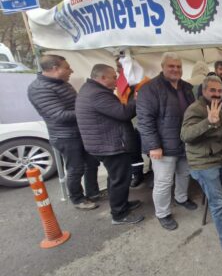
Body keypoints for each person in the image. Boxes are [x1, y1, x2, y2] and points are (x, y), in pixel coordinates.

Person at [181, 75, 222, 259]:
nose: (217, 94)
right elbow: (185, 135)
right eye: (213, 91)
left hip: (220, 157)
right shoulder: (194, 109)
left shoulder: (218, 106)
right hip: (202, 162)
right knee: (217, 204)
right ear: (203, 91)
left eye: (219, 91)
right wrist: (208, 121)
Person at [27, 55, 101, 210]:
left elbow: (75, 105)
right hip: (65, 136)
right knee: (76, 168)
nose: (71, 71)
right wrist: (88, 110)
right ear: (55, 69)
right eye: (67, 67)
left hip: (80, 132)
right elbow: (59, 115)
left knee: (92, 163)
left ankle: (93, 192)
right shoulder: (39, 89)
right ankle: (78, 199)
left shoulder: (61, 83)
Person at [76, 64, 144, 225]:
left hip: (105, 143)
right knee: (119, 179)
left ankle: (122, 204)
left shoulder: (91, 90)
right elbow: (123, 113)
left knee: (117, 178)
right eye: (114, 77)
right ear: (102, 78)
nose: (117, 80)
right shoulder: (97, 94)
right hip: (109, 145)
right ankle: (119, 214)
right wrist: (136, 100)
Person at [137, 53, 196, 231]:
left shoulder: (187, 87)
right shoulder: (150, 88)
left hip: (185, 143)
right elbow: (144, 120)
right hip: (162, 146)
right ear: (162, 67)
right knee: (163, 182)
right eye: (171, 66)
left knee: (184, 173)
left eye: (178, 66)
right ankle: (163, 213)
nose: (175, 69)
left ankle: (181, 198)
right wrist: (154, 146)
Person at [115, 54, 150, 188]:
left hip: (143, 122)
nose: (118, 70)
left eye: (120, 66)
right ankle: (138, 175)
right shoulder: (121, 83)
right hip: (129, 122)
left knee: (150, 149)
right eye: (118, 66)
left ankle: (150, 173)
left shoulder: (143, 82)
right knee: (134, 152)